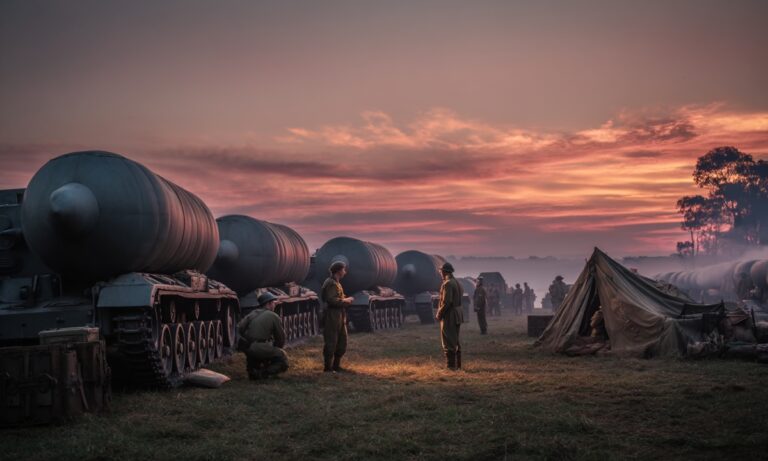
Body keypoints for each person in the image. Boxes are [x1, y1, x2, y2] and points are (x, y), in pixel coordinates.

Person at [237, 291, 288, 379]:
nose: (274, 305)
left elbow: (240, 328)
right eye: (273, 303)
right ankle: (263, 373)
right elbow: (280, 338)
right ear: (268, 304)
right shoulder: (273, 316)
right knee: (282, 358)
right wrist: (277, 347)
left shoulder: (253, 313)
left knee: (258, 352)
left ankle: (253, 369)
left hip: (248, 347)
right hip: (260, 348)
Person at [321, 261, 355, 373]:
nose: (345, 272)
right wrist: (346, 300)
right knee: (331, 340)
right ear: (339, 270)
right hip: (332, 315)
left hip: (339, 315)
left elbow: (337, 298)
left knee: (342, 341)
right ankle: (328, 367)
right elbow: (332, 300)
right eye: (344, 269)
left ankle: (336, 365)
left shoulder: (337, 283)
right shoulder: (331, 283)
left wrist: (344, 300)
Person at [436, 262, 464, 370]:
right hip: (457, 314)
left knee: (448, 340)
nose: (440, 273)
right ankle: (458, 365)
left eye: (441, 271)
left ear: (444, 272)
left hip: (450, 315)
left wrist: (439, 313)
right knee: (455, 339)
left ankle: (451, 366)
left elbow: (447, 302)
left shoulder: (447, 284)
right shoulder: (457, 283)